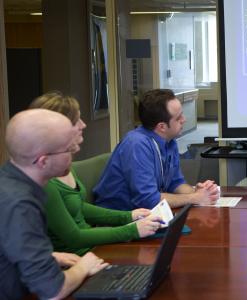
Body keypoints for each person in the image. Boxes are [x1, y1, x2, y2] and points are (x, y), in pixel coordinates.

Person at [29, 91, 163, 256]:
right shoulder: (45, 180)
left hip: (93, 249)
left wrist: (128, 216)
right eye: (76, 121)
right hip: (77, 257)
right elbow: (74, 237)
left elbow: (78, 207)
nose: (83, 125)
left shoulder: (64, 165)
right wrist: (131, 230)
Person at [0, 109, 108, 299]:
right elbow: (53, 291)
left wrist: (50, 257)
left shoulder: (8, 180)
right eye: (69, 149)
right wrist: (84, 266)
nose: (76, 151)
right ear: (43, 161)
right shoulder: (20, 204)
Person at [94, 89, 219, 210]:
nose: (184, 120)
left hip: (147, 214)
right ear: (162, 127)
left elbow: (175, 183)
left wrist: (199, 192)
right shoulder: (137, 145)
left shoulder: (169, 141)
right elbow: (148, 200)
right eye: (178, 117)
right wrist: (194, 198)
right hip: (119, 218)